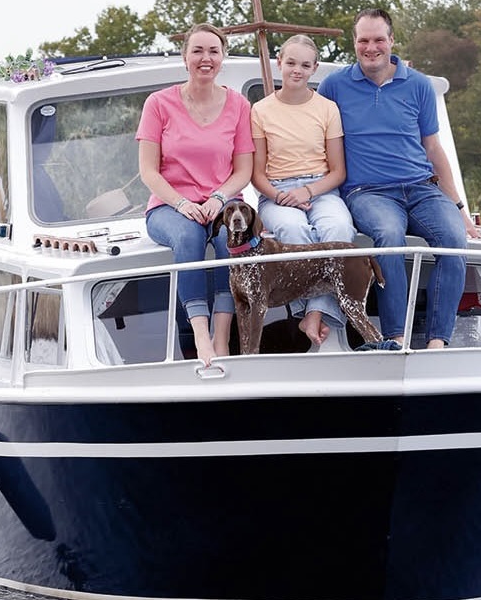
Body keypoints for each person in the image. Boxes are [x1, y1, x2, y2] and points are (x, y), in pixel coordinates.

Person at [317, 8, 480, 349]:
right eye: (363, 40)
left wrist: (460, 210)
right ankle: (396, 336)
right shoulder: (334, 86)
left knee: (454, 240)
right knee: (390, 236)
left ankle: (437, 341)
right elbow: (318, 139)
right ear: (354, 43)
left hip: (421, 188)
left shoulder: (418, 84)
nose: (371, 47)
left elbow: (433, 150)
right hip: (368, 191)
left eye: (379, 39)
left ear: (391, 41)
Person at [137, 22, 254, 366]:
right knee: (188, 238)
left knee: (230, 240)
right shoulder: (158, 104)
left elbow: (243, 171)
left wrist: (218, 198)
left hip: (223, 203)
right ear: (185, 57)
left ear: (223, 58)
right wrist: (183, 203)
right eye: (198, 51)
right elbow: (149, 171)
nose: (206, 58)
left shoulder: (239, 105)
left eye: (213, 51)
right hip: (169, 207)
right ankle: (200, 337)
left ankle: (222, 337)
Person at [250, 34, 355, 346]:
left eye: (305, 65)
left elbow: (338, 171)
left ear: (314, 68)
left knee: (337, 227)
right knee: (294, 230)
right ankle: (310, 313)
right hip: (276, 192)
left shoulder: (327, 109)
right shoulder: (260, 110)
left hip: (320, 188)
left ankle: (314, 313)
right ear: (279, 63)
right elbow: (256, 174)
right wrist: (280, 195)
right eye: (291, 62)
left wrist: (308, 191)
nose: (297, 70)